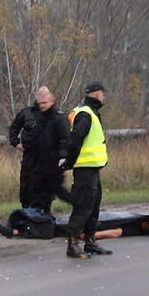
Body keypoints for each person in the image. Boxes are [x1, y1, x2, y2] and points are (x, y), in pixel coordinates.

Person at [0, 86, 71, 237]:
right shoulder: (28, 113)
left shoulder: (57, 117)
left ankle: (41, 225)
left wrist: (62, 158)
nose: (42, 104)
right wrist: (16, 143)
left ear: (52, 99)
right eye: (40, 101)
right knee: (26, 191)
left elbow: (64, 140)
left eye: (45, 101)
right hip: (30, 160)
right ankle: (26, 221)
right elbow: (13, 129)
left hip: (49, 162)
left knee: (45, 196)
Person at [58, 82, 113, 259]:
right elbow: (75, 141)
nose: (104, 96)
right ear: (97, 94)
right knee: (83, 206)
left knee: (94, 205)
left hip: (93, 169)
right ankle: (72, 245)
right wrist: (69, 162)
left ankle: (90, 241)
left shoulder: (93, 113)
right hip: (84, 170)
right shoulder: (85, 114)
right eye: (103, 93)